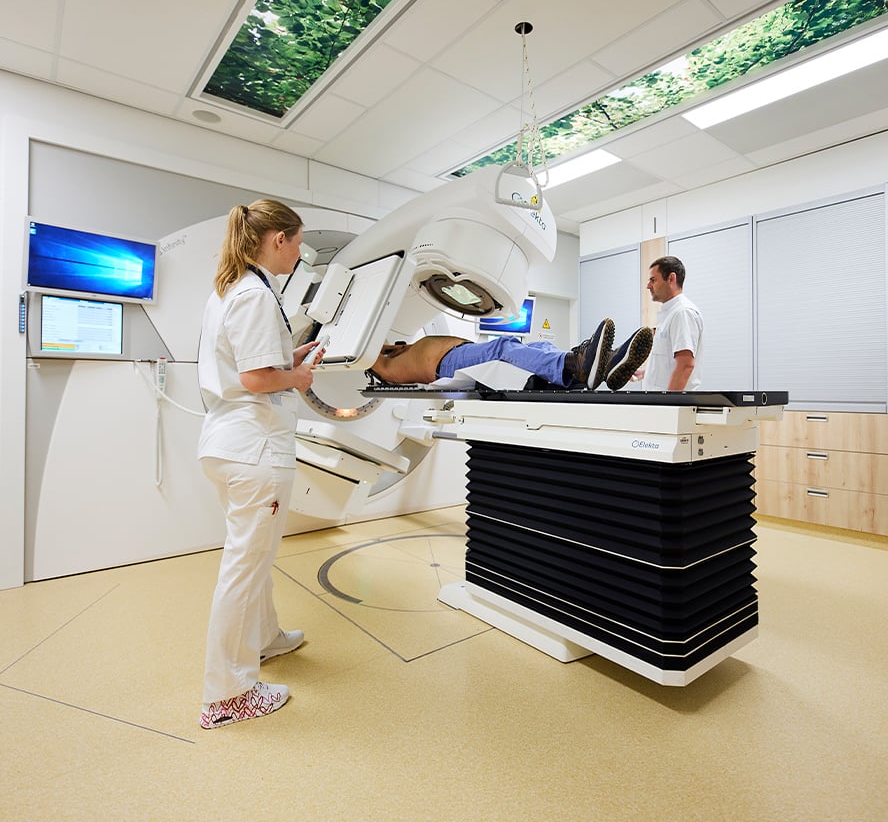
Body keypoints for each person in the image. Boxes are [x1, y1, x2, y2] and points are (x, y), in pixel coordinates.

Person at [197, 199, 321, 729]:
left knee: (255, 557)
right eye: (298, 243)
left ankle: (265, 638)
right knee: (245, 569)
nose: (299, 253)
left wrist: (288, 361)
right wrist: (297, 378)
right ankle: (227, 695)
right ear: (278, 239)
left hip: (230, 444)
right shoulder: (254, 295)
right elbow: (254, 379)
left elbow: (247, 364)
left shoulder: (231, 290)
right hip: (255, 448)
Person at [367, 318, 652, 392]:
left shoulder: (397, 350)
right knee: (503, 347)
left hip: (457, 354)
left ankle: (605, 365)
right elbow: (367, 357)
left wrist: (390, 346)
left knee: (538, 347)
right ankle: (578, 365)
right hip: (447, 364)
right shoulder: (382, 363)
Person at [638, 255, 703, 391]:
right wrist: (646, 373)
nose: (648, 286)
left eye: (653, 280)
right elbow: (668, 362)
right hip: (659, 401)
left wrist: (667, 401)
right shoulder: (669, 314)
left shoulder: (682, 313)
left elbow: (685, 365)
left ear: (671, 278)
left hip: (670, 403)